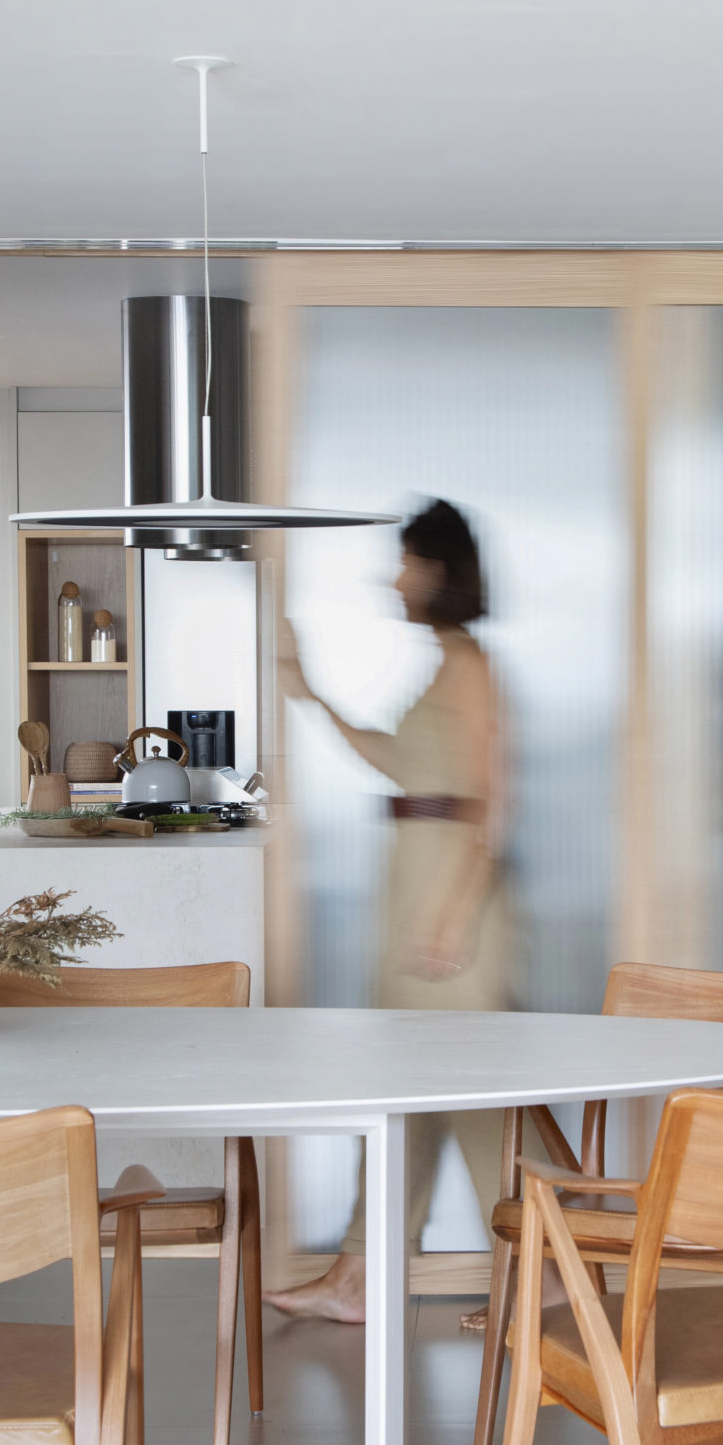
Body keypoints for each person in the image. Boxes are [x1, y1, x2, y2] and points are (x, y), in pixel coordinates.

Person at [265, 500, 529, 1324]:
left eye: (407, 560)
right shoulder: (442, 661)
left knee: (475, 1097)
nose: (395, 576)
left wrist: (453, 916)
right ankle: (360, 1273)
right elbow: (398, 765)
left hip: (452, 898)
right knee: (409, 1094)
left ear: (440, 570)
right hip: (418, 884)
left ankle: (542, 1275)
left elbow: (494, 801)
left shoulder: (470, 662)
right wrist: (308, 692)